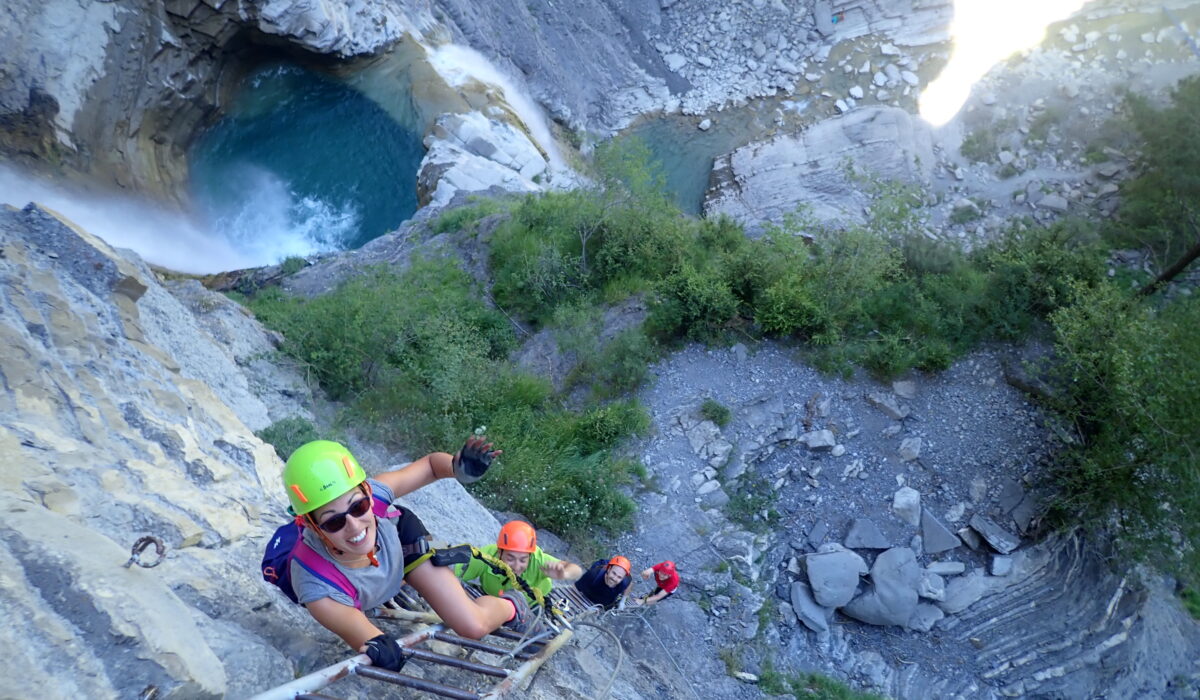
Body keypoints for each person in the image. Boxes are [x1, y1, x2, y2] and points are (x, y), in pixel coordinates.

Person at [283, 436, 534, 674]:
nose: (355, 525)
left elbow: (430, 467)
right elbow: (366, 635)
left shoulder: (377, 495)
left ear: (367, 492)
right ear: (312, 526)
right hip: (356, 575)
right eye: (334, 522)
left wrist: (457, 468)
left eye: (358, 506)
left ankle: (513, 606)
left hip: (399, 544)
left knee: (473, 625)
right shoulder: (315, 583)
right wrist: (381, 650)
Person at [454, 520, 583, 603]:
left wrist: (564, 574)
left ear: (529, 556)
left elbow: (576, 570)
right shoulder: (486, 556)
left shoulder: (538, 560)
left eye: (523, 560)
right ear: (500, 552)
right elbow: (454, 572)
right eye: (510, 558)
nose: (516, 566)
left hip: (532, 603)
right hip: (493, 598)